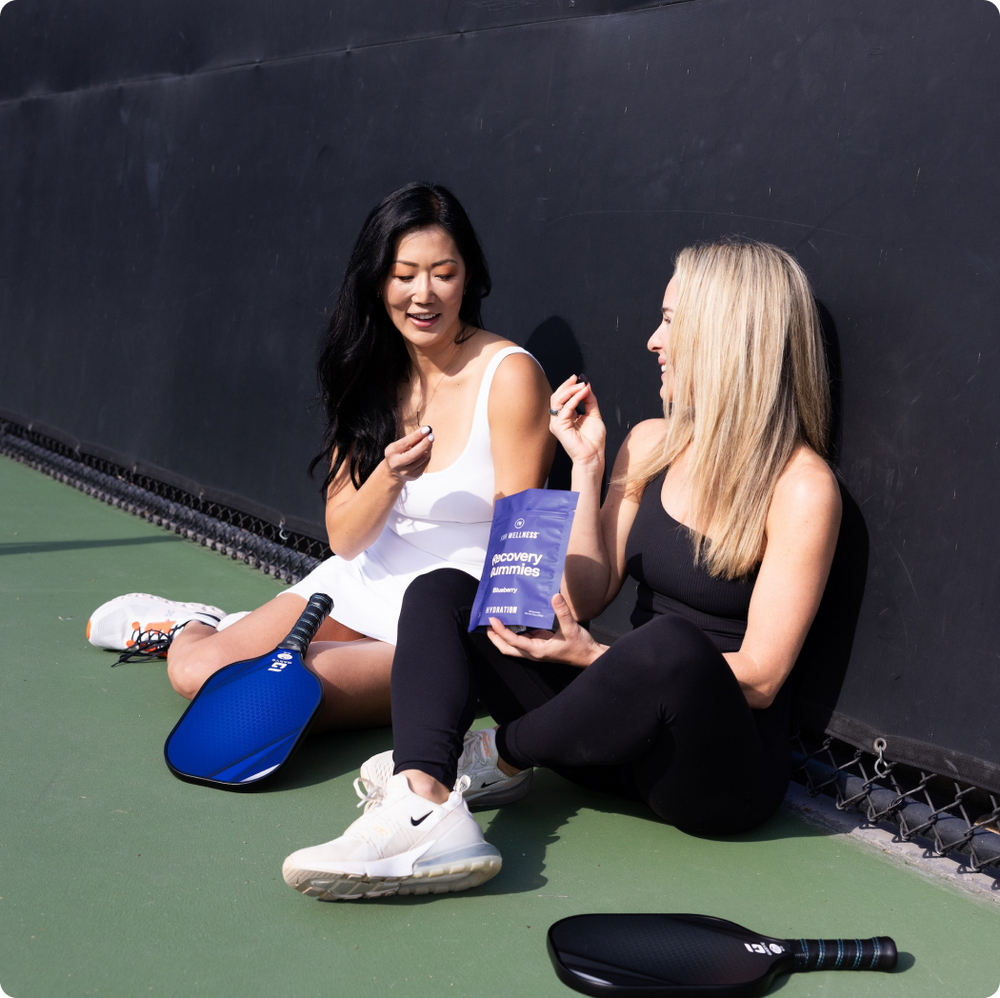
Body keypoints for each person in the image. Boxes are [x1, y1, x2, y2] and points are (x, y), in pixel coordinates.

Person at [280, 239, 843, 900]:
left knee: (668, 648)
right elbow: (589, 587)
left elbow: (763, 678)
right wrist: (585, 466)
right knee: (443, 591)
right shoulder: (654, 442)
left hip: (708, 772)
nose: (653, 340)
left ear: (728, 338)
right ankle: (425, 800)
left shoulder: (804, 488)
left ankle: (496, 755)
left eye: (672, 321)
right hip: (602, 735)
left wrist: (592, 656)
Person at [86, 182, 555, 730]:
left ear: (468, 276)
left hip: (449, 618)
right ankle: (197, 623)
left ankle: (254, 636)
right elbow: (346, 538)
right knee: (195, 673)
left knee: (274, 699)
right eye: (404, 275)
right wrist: (389, 475)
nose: (423, 294)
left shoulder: (512, 375)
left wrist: (505, 657)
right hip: (364, 578)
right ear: (379, 280)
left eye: (443, 274)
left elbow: (524, 545)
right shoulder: (370, 372)